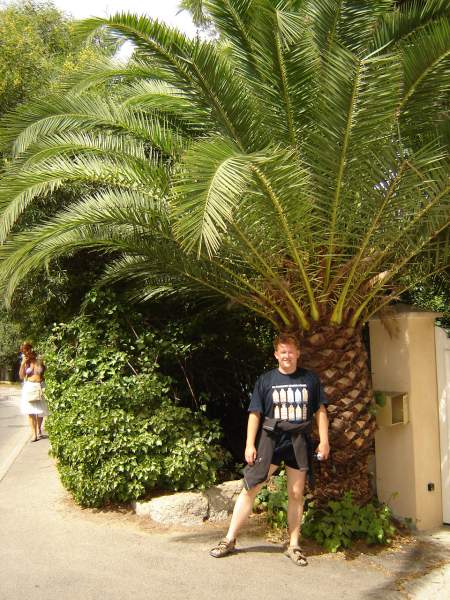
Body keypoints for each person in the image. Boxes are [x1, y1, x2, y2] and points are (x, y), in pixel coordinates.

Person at [210, 333, 330, 566]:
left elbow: (320, 411)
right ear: (276, 354)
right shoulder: (265, 380)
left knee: (296, 494)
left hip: (298, 441)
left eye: (291, 351)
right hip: (271, 441)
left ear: (298, 353)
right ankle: (229, 539)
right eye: (283, 352)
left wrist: (324, 441)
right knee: (251, 487)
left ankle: (293, 545)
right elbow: (255, 413)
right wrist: (249, 444)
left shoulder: (310, 379)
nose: (287, 355)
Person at [19, 342, 48, 442]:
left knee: (40, 411)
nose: (26, 352)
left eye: (28, 350)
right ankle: (34, 434)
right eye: (24, 351)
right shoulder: (25, 362)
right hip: (29, 386)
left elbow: (44, 372)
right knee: (30, 412)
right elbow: (21, 376)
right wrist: (23, 364)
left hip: (40, 386)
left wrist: (41, 362)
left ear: (31, 349)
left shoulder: (39, 360)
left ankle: (39, 429)